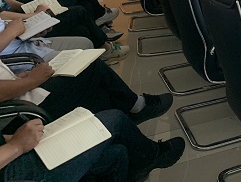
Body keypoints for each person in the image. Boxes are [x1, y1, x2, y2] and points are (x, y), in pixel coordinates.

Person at [0, 109, 184, 182]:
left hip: (8, 153)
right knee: (115, 119)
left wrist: (16, 139)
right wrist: (16, 145)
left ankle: (141, 165)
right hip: (9, 178)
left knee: (117, 154)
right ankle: (152, 156)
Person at [0, 56, 173, 126]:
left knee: (100, 94)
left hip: (19, 92)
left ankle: (124, 123)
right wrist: (32, 80)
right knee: (91, 66)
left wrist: (17, 78)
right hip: (19, 111)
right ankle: (137, 107)